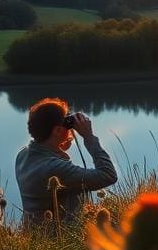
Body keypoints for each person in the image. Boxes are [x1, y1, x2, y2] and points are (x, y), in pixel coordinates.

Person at [15, 97, 117, 227]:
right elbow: (108, 175)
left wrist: (59, 143)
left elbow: (47, 155)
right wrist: (89, 137)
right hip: (60, 239)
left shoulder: (23, 155)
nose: (70, 125)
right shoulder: (55, 168)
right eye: (67, 121)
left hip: (35, 234)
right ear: (57, 130)